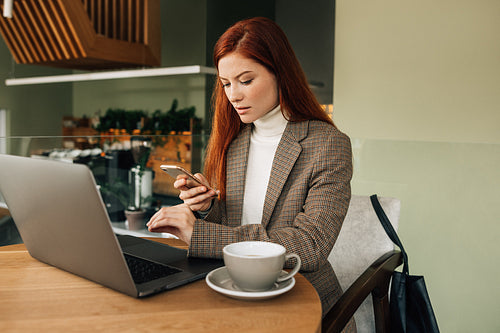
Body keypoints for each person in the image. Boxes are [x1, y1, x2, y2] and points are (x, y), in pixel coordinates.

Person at [147, 17, 354, 329]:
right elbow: (233, 226)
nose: (234, 96)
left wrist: (199, 234)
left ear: (280, 74)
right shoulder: (232, 140)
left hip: (301, 299)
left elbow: (311, 246)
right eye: (226, 84)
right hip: (231, 290)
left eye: (245, 81)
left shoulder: (327, 144)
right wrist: (206, 209)